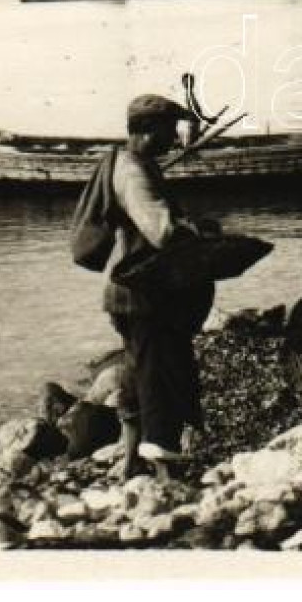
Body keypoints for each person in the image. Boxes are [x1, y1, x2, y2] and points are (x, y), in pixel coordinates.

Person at [103, 94, 218, 479]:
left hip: (130, 293)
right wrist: (199, 229)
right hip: (143, 297)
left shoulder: (132, 164)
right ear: (149, 130)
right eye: (171, 129)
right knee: (160, 381)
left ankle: (132, 463)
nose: (176, 137)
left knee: (139, 375)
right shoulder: (134, 173)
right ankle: (165, 474)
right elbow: (161, 231)